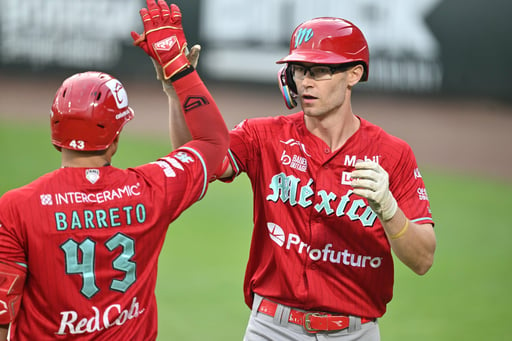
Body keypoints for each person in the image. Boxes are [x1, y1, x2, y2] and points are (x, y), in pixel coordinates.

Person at [154, 16, 436, 341]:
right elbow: (197, 161)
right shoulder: (263, 136)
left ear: (354, 74)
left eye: (319, 70)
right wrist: (178, 92)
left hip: (355, 333)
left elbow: (423, 260)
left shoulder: (392, 154)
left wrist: (389, 210)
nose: (305, 82)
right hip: (271, 327)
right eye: (300, 70)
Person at [0, 1, 229, 340]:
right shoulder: (152, 189)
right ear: (116, 136)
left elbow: (3, 316)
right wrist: (178, 75)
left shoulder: (16, 207)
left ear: (55, 133)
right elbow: (213, 144)